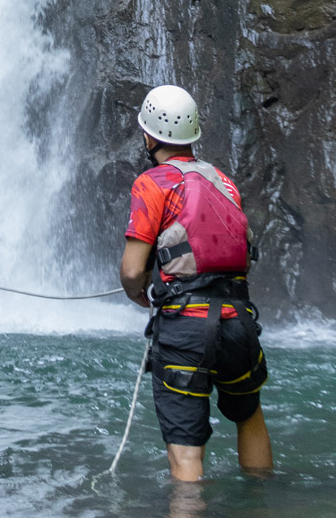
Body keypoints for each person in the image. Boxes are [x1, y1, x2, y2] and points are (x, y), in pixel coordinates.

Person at [119, 84, 273, 482]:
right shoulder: (224, 182)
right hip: (237, 321)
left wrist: (138, 291)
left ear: (149, 135)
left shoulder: (151, 184)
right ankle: (262, 504)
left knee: (186, 455)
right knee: (249, 415)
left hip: (186, 327)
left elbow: (134, 270)